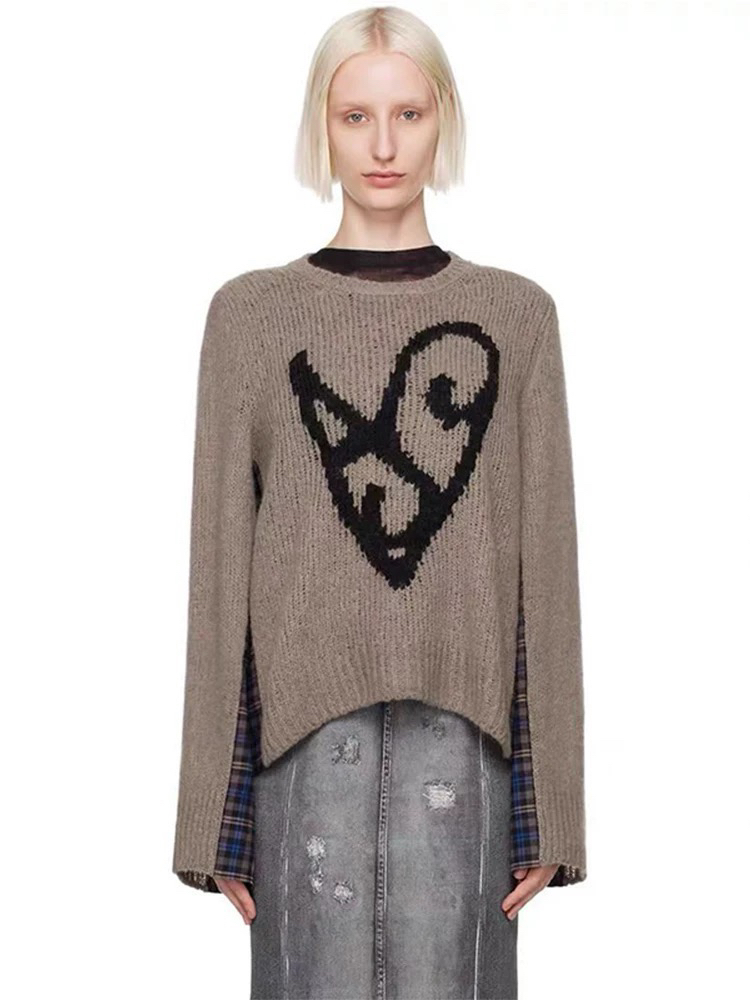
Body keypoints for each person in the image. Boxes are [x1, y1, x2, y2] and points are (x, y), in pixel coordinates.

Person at [171, 7, 586, 998]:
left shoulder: (518, 316)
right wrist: (211, 816)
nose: (385, 145)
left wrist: (555, 810)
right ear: (322, 127)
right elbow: (219, 567)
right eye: (355, 116)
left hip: (468, 762)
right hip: (300, 763)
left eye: (409, 113)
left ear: (445, 120)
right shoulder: (250, 316)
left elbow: (545, 562)